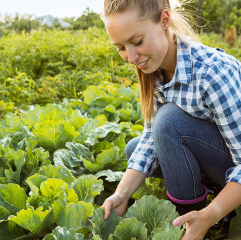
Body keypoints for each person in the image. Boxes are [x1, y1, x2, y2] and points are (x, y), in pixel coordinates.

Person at [101, 0, 241, 239]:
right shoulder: (153, 68)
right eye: (121, 47)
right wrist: (121, 194)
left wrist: (211, 214)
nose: (131, 56)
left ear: (164, 20)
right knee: (134, 148)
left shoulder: (212, 73)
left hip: (236, 160)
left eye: (137, 42)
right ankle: (210, 199)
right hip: (218, 157)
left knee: (168, 122)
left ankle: (196, 217)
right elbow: (149, 137)